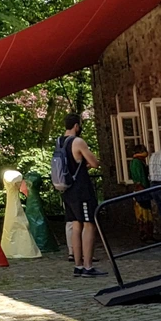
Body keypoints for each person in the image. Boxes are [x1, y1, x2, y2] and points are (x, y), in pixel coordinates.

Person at [56, 113, 107, 277]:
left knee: (76, 225)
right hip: (81, 189)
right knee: (89, 224)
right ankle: (88, 266)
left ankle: (78, 265)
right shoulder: (77, 141)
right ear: (77, 126)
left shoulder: (59, 142)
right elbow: (94, 163)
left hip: (67, 189)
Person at [129, 150, 155, 243]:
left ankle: (148, 234)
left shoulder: (139, 161)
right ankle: (145, 234)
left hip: (142, 190)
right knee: (144, 213)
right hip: (142, 190)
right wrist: (144, 188)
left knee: (145, 213)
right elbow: (140, 177)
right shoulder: (137, 162)